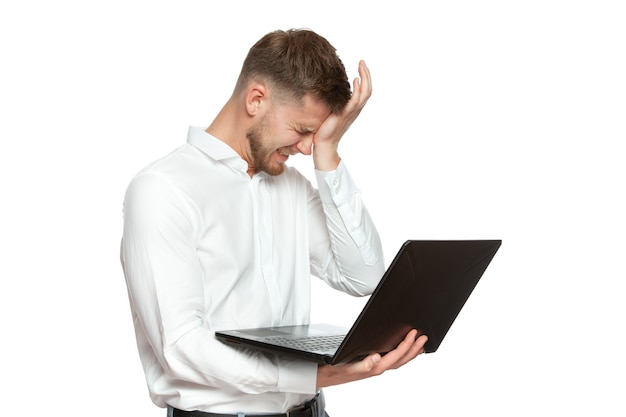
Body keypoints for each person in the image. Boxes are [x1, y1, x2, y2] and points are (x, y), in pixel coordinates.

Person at [120, 28, 428, 417]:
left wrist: (328, 153)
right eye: (302, 130)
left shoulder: (292, 187)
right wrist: (316, 375)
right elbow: (182, 348)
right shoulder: (163, 191)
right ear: (257, 99)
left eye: (315, 134)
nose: (304, 147)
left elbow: (363, 277)